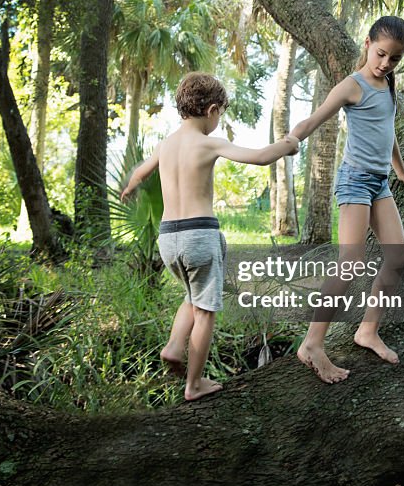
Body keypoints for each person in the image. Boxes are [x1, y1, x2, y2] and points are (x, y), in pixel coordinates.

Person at [121, 71, 299, 402]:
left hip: (168, 239)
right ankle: (194, 384)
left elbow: (141, 171)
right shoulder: (208, 142)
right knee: (205, 310)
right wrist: (286, 146)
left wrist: (130, 187)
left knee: (193, 295)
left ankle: (175, 346)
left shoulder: (167, 144)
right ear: (213, 110)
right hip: (199, 234)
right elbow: (260, 157)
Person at [291, 16, 404, 383]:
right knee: (350, 263)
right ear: (367, 43)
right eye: (381, 54)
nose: (386, 63)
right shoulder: (352, 86)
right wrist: (289, 141)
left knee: (399, 257)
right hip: (354, 182)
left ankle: (367, 330)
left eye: (394, 59)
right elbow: (315, 119)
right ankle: (312, 343)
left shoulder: (388, 86)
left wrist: (402, 172)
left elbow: (388, 133)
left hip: (380, 184)